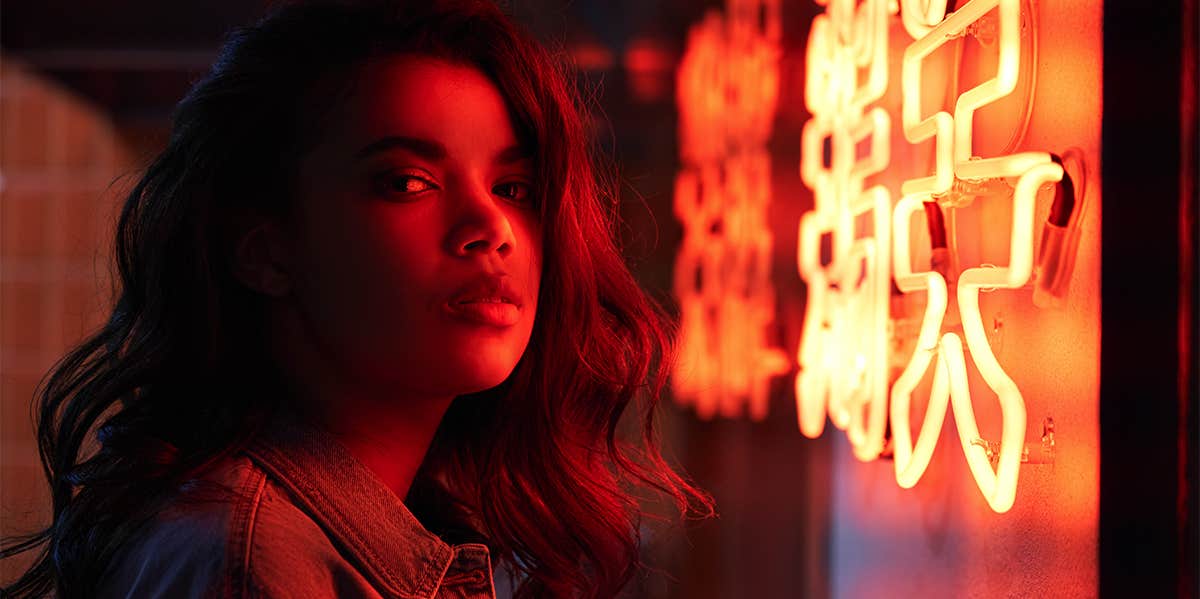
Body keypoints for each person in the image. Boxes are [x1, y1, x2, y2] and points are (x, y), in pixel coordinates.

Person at [0, 1, 714, 597]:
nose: (489, 227)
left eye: (513, 188)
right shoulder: (251, 559)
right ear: (266, 249)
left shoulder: (391, 532)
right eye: (406, 182)